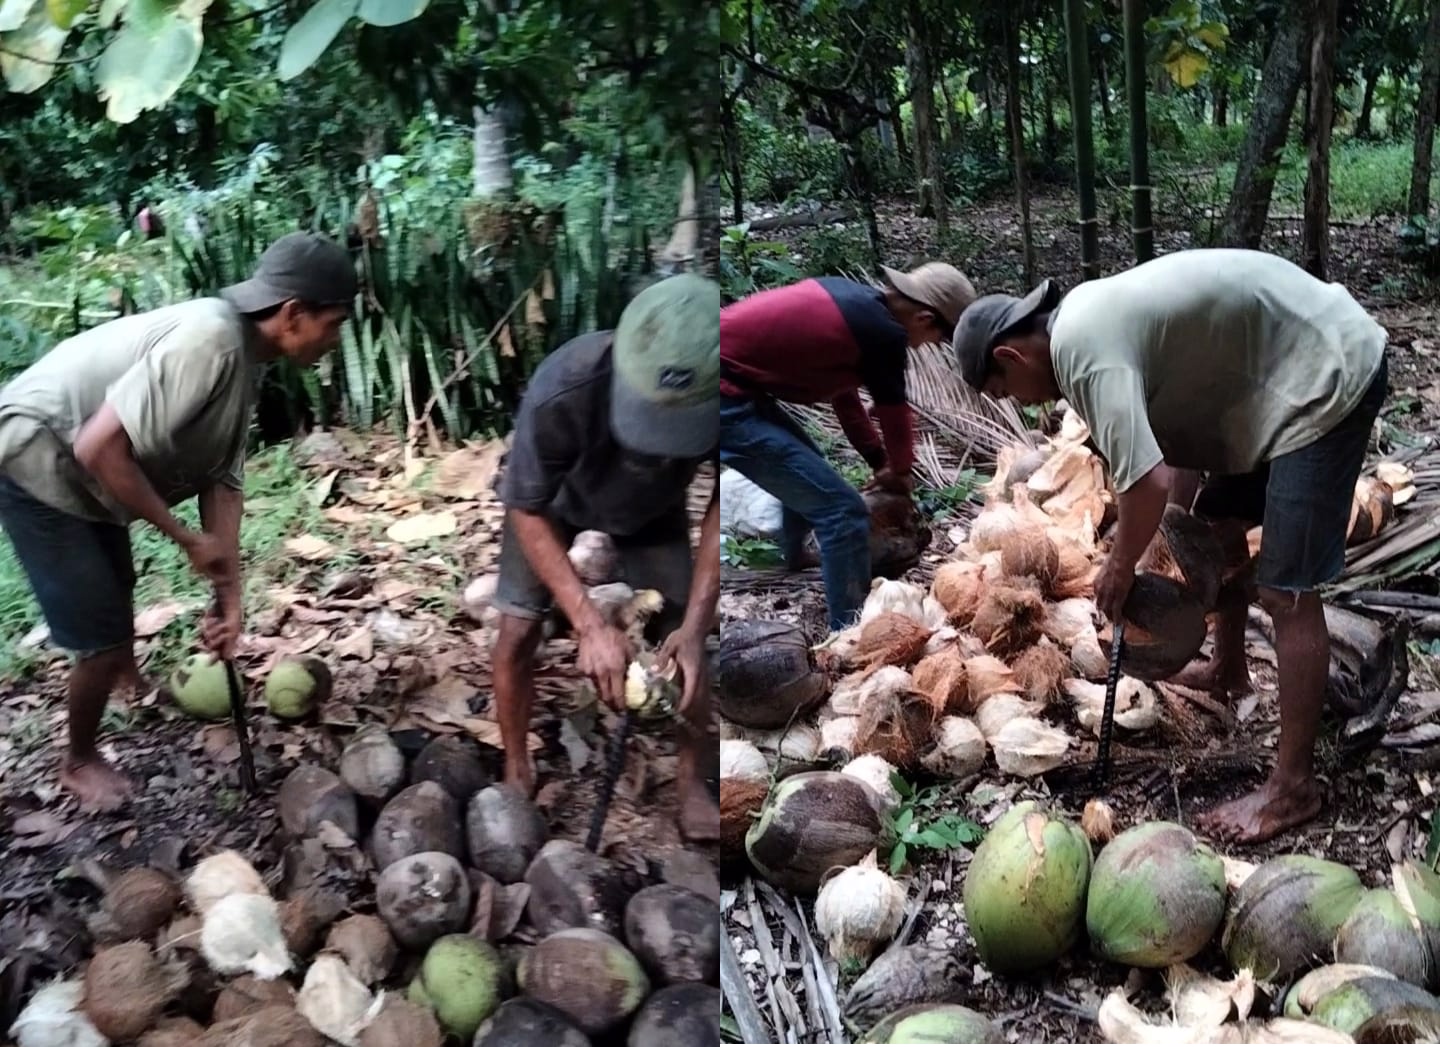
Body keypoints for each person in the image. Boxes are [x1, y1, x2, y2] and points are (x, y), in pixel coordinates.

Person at [951, 247, 1389, 845]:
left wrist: (1121, 565)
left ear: (1010, 355)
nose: (1023, 405)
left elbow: (1146, 481)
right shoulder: (1082, 327)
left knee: (1286, 592)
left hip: (1322, 375)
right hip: (1268, 379)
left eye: (1009, 392)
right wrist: (1177, 530)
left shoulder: (1081, 352)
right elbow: (1169, 460)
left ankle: (1292, 788)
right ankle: (1230, 670)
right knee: (1213, 534)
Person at [0, 231, 357, 812]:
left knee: (117, 587)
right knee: (99, 632)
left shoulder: (244, 359)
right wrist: (184, 538)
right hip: (36, 456)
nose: (335, 339)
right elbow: (99, 447)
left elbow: (223, 482)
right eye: (334, 323)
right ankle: (79, 758)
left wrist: (230, 597)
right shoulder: (211, 340)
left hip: (81, 470)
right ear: (293, 315)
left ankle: (126, 679)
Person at [491, 273, 720, 843]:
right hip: (556, 504)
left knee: (687, 642)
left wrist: (694, 625)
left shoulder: (734, 392)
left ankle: (691, 784)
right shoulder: (565, 387)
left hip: (654, 511)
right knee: (518, 630)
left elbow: (723, 502)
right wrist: (588, 622)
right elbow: (525, 504)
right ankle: (516, 763)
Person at [719, 262, 976, 632]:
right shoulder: (883, 333)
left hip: (730, 384)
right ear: (923, 318)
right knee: (843, 512)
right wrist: (900, 472)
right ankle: (849, 630)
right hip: (720, 395)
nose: (930, 346)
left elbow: (846, 399)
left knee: (808, 463)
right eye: (938, 338)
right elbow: (894, 412)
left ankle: (795, 556)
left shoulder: (855, 304)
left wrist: (878, 461)